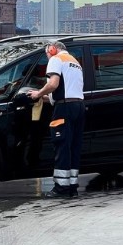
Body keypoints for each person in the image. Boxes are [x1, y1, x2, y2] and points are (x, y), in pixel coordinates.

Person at [28, 41, 85, 198]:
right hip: (78, 107)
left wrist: (38, 94)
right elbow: (65, 92)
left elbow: (53, 84)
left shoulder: (56, 59)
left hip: (64, 109)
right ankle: (72, 187)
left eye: (47, 53)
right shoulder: (74, 62)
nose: (47, 58)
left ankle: (61, 188)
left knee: (61, 146)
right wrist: (42, 97)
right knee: (73, 147)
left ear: (52, 49)